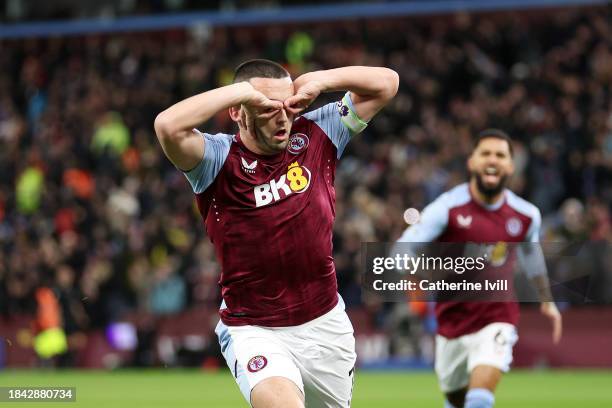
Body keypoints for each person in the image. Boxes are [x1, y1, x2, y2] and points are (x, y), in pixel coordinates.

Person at [154, 59, 398, 408]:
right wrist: (240, 92)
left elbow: (387, 83)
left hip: (325, 323)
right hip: (255, 328)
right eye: (267, 109)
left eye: (288, 106)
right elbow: (167, 125)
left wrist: (319, 80)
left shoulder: (318, 132)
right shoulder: (215, 159)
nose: (283, 118)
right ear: (239, 112)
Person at [395, 129, 562, 408]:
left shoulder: (525, 215)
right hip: (451, 322)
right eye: (485, 153)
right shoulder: (447, 207)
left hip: (497, 319)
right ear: (471, 162)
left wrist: (547, 300)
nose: (492, 160)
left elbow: (532, 255)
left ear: (511, 165)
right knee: (456, 400)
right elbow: (402, 249)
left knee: (480, 399)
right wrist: (423, 273)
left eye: (500, 155)